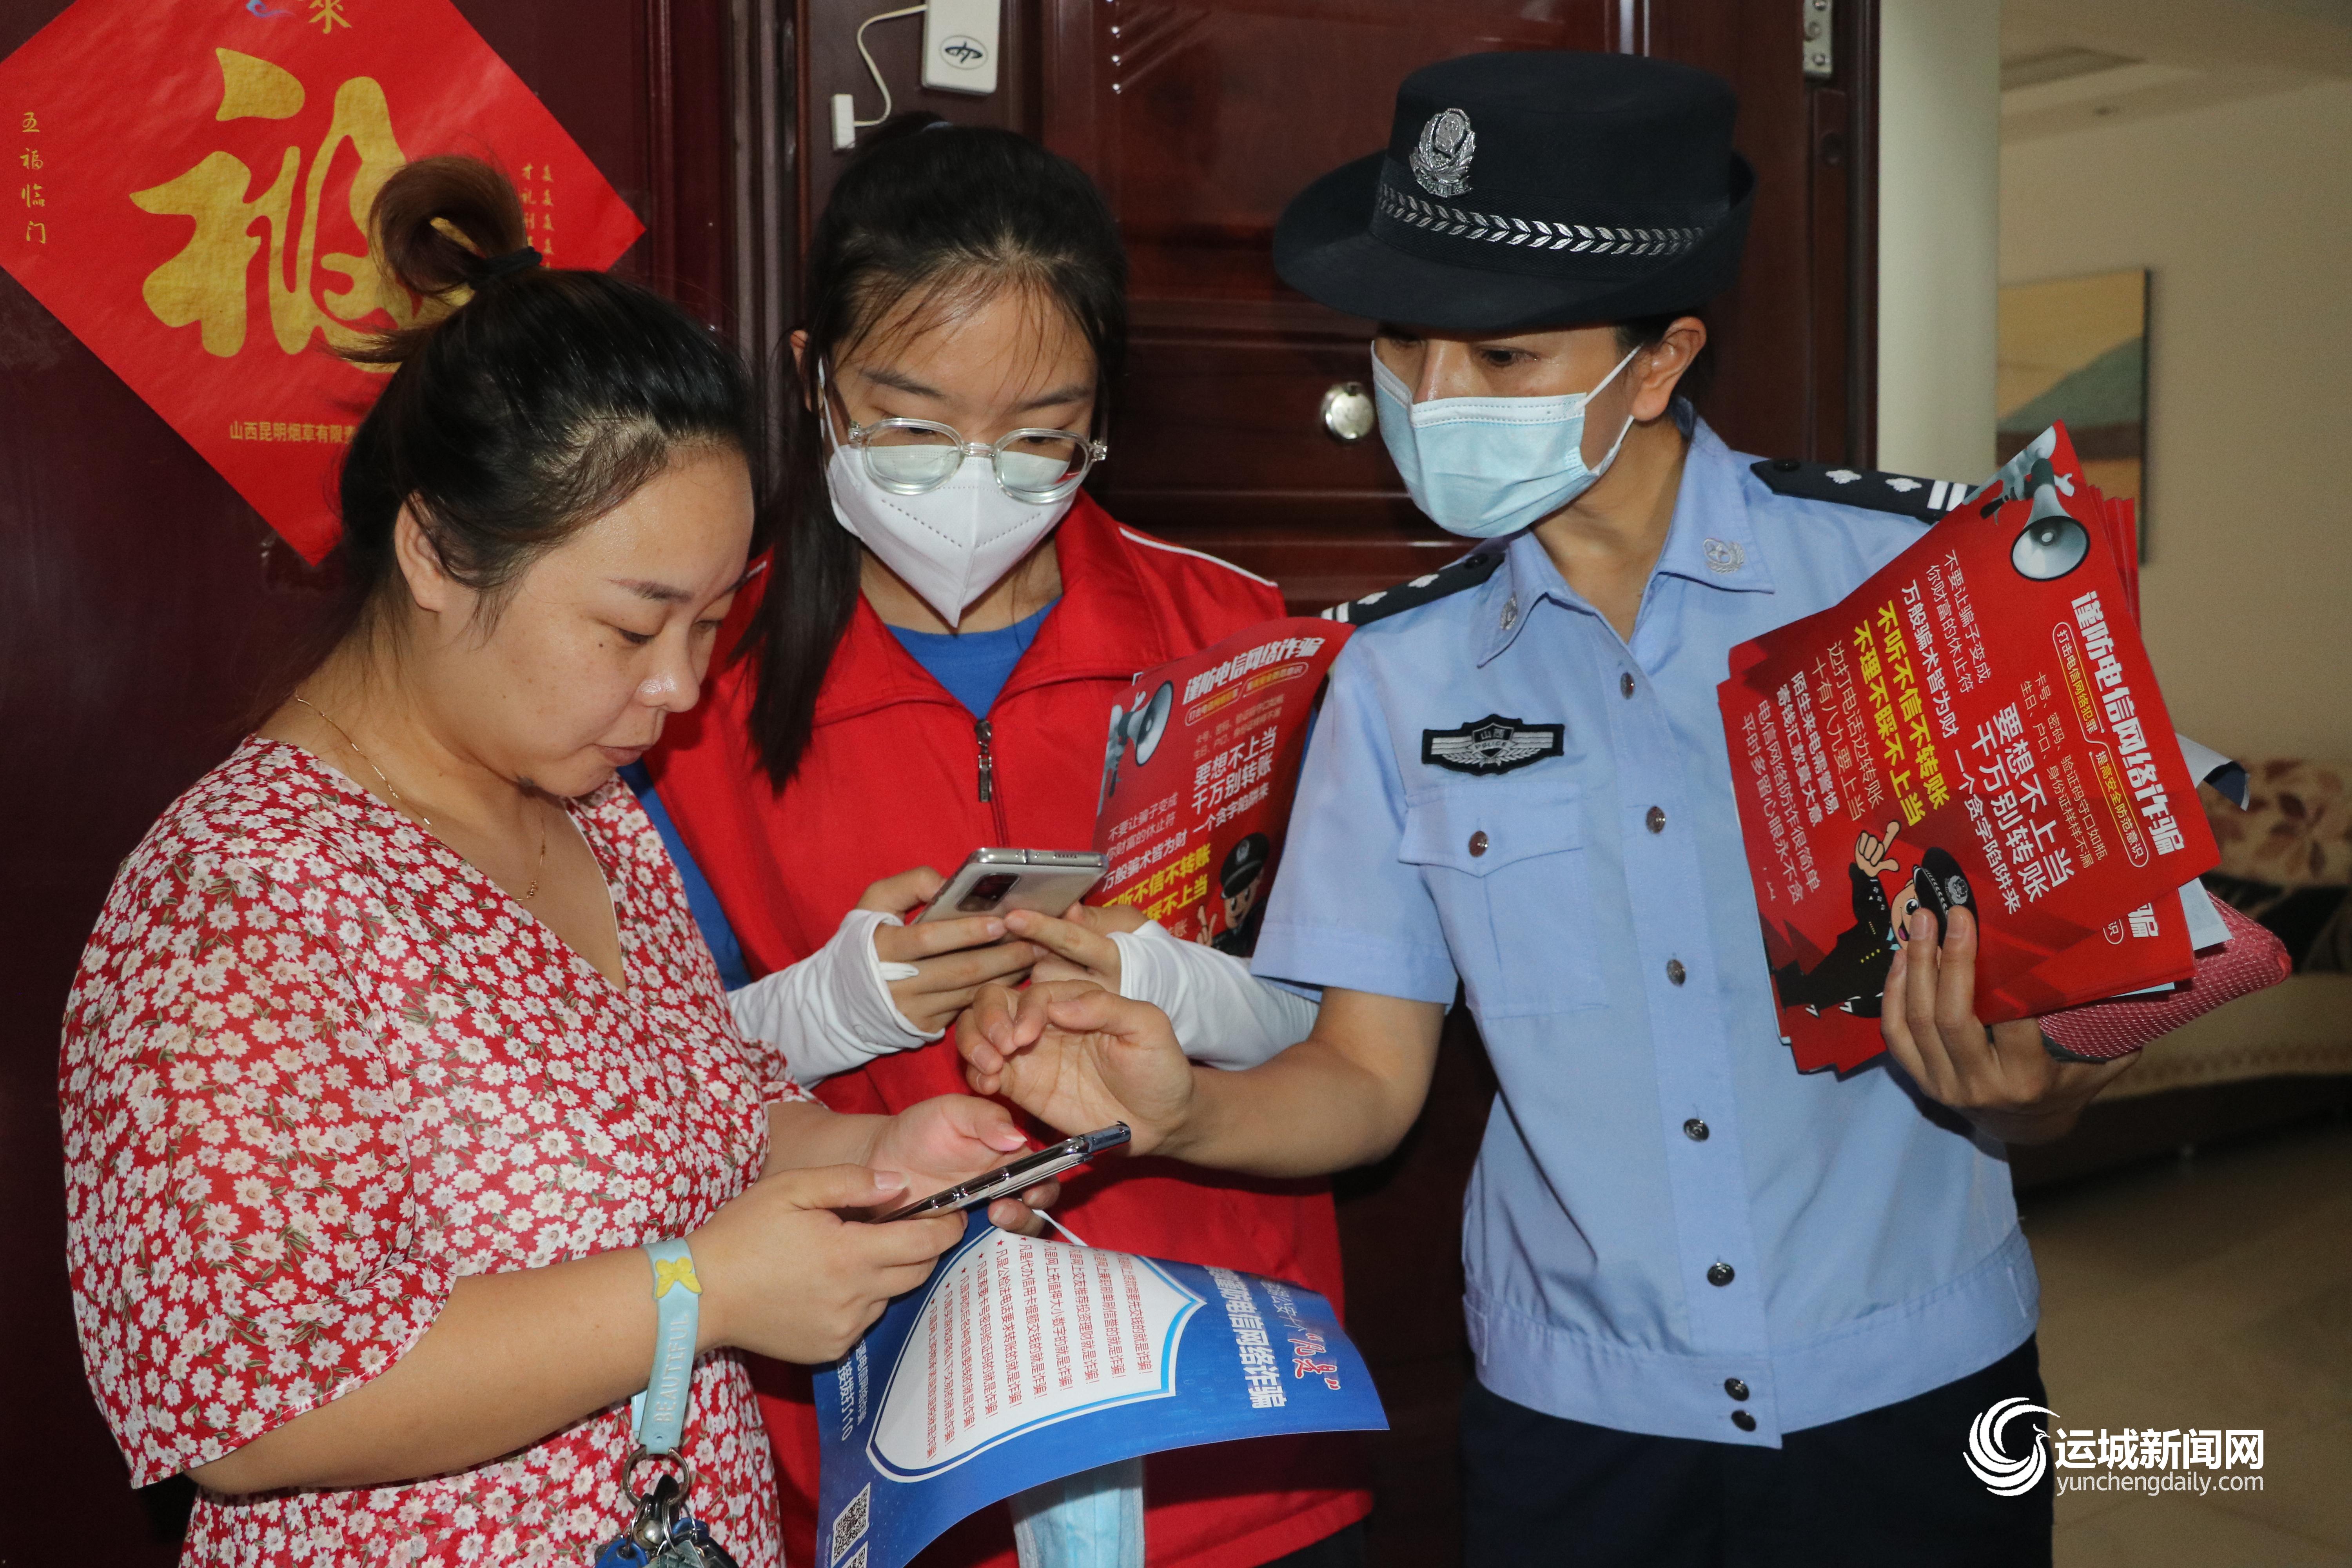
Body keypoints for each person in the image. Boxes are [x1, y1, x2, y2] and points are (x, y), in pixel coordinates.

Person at [956, 53, 2145, 1567]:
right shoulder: (1396, 673)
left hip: (1912, 1391)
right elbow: (1366, 1078)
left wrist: (2043, 1084)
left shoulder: (1915, 580)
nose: (1434, 397)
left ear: (1659, 364)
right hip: (1579, 1432)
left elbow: (2118, 962)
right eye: (1405, 344)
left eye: (1504, 357)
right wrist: (1183, 1109)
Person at [58, 156, 1049, 1568]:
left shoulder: (597, 817)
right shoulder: (235, 898)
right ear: (435, 555)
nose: (679, 689)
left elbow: (689, 1130)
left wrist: (880, 1161)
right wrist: (697, 1294)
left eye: (708, 625)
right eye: (632, 628)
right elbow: (247, 1405)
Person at [641, 118, 1366, 1568]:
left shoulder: (1235, 639)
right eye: (913, 426)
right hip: (894, 1453)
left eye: (1038, 436)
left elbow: (1352, 1026)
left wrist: (1179, 988)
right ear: (815, 381)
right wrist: (835, 1007)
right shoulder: (687, 685)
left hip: (1225, 1437)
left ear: (1101, 417)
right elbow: (630, 1084)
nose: (976, 480)